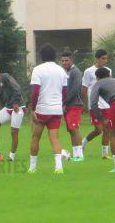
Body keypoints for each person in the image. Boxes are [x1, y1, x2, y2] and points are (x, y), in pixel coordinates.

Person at [28, 45, 68, 174]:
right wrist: (60, 104)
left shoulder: (38, 69)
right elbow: (65, 91)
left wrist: (33, 108)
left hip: (42, 109)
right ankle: (58, 167)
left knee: (35, 137)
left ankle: (32, 168)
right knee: (54, 138)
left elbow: (35, 92)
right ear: (54, 56)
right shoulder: (61, 70)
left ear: (41, 56)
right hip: (56, 109)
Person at [0, 66, 25, 162]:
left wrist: (16, 102)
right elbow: (1, 98)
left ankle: (11, 156)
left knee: (14, 132)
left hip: (18, 107)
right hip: (8, 107)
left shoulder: (5, 76)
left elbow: (17, 88)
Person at [81, 49, 112, 159]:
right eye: (103, 58)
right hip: (94, 105)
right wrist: (85, 104)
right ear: (97, 59)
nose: (105, 61)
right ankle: (82, 144)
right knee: (99, 129)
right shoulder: (89, 71)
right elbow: (84, 89)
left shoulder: (108, 70)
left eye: (106, 58)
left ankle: (105, 154)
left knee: (107, 129)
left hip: (106, 105)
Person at [60, 52, 85, 162]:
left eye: (66, 60)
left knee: (74, 129)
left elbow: (75, 90)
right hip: (67, 105)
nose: (64, 63)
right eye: (62, 61)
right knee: (70, 129)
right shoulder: (65, 72)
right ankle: (75, 155)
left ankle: (80, 155)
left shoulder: (76, 72)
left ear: (72, 60)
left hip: (74, 104)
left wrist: (64, 102)